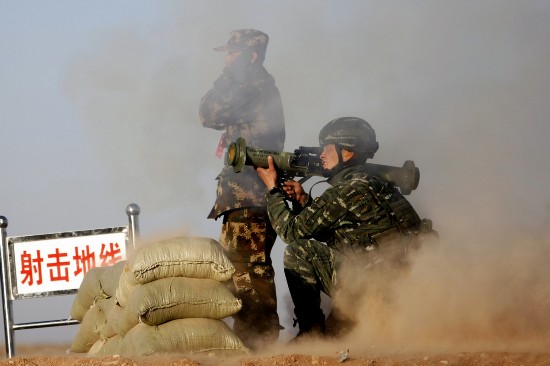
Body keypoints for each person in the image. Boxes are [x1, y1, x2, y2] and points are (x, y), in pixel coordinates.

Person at [256, 117, 436, 340]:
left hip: (375, 293)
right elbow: (346, 231)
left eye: (327, 149)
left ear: (348, 153)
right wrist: (303, 201)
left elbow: (290, 232)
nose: (321, 155)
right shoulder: (379, 185)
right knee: (339, 336)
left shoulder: (344, 192)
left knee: (300, 251)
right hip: (405, 294)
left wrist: (272, 189)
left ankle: (311, 335)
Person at [199, 29, 285, 348]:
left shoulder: (252, 85)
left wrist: (227, 78)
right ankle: (255, 337)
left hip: (251, 192)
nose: (226, 61)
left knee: (248, 267)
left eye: (232, 55)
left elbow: (208, 112)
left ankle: (258, 341)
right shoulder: (253, 85)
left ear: (249, 57)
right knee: (241, 266)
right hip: (245, 192)